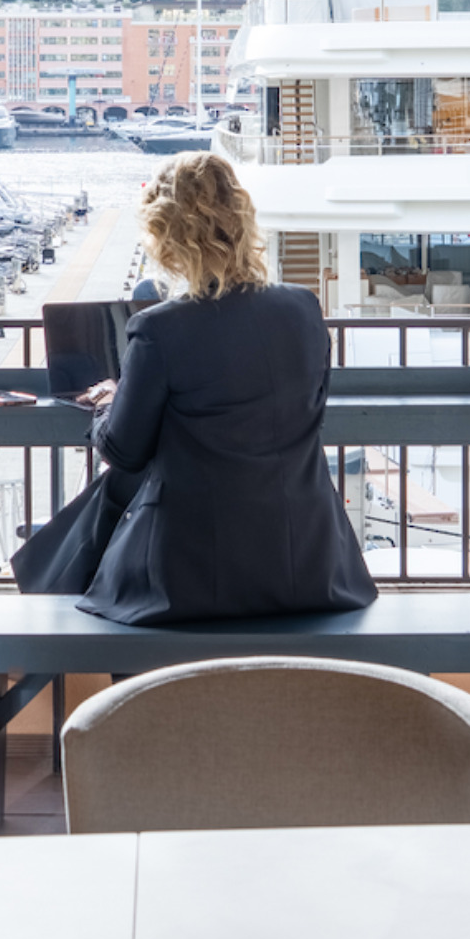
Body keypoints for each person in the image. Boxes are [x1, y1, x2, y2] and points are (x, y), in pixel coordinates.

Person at [44, 151, 374, 624]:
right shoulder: (304, 308)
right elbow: (306, 407)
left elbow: (123, 451)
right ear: (241, 220)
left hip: (192, 577)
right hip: (312, 564)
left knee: (67, 564)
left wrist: (107, 402)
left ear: (167, 237)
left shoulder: (160, 329)